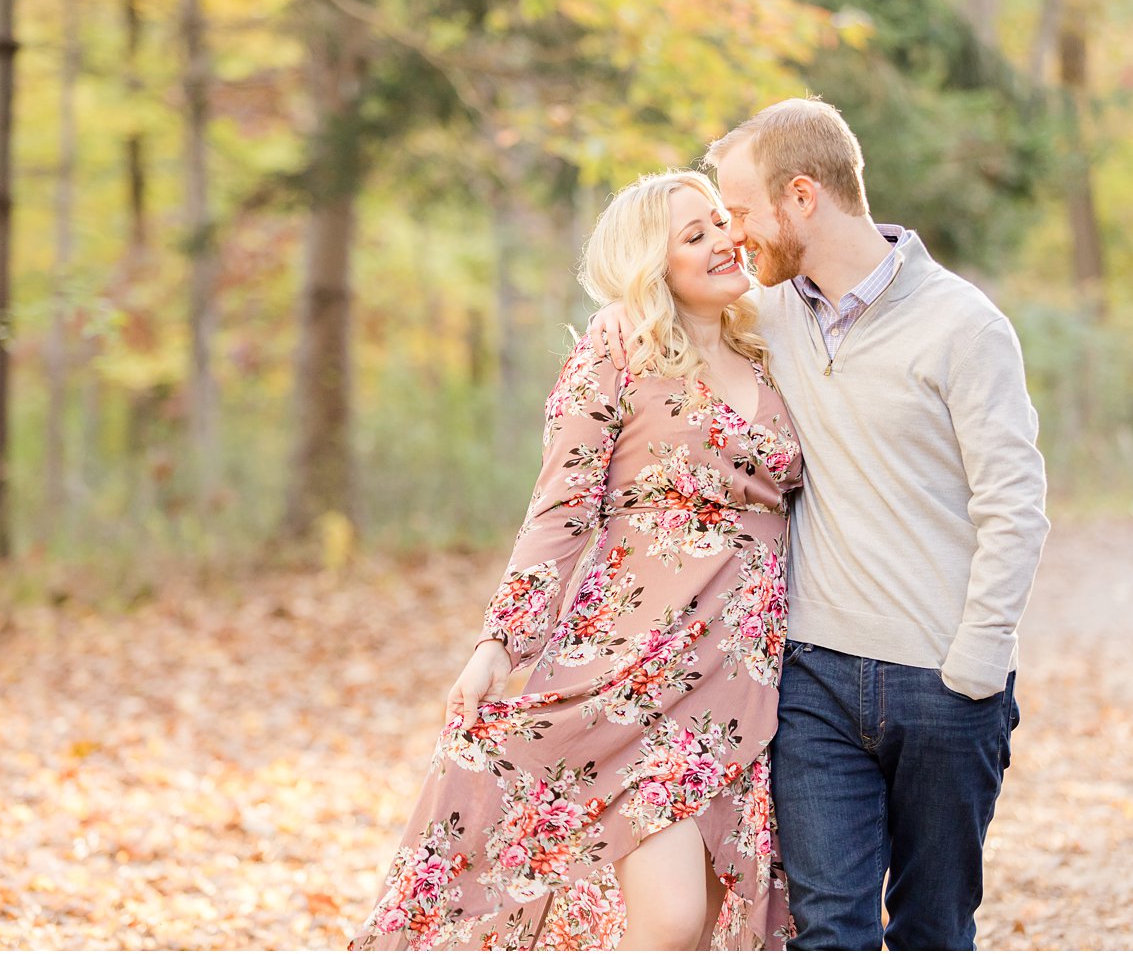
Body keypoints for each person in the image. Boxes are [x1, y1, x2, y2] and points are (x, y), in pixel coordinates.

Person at [591, 97, 1051, 951]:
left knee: (933, 930)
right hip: (813, 683)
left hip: (946, 683)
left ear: (802, 196)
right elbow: (666, 326)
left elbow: (1014, 505)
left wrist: (978, 665)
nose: (732, 236)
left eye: (739, 212)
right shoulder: (765, 318)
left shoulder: (965, 326)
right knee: (826, 929)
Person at [350, 170, 804, 951]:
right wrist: (502, 640)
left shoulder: (768, 351)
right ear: (652, 265)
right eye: (692, 236)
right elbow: (561, 506)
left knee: (699, 925)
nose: (724, 241)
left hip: (743, 682)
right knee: (666, 924)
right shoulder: (617, 345)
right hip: (633, 669)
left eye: (721, 223)